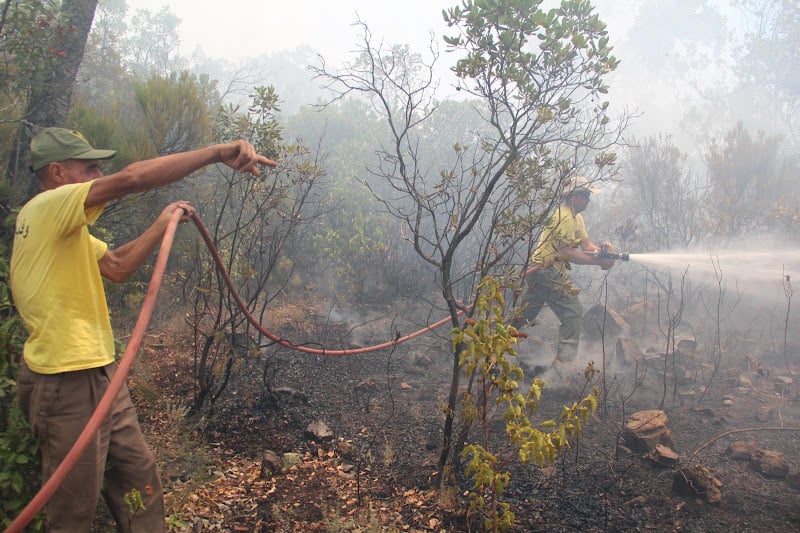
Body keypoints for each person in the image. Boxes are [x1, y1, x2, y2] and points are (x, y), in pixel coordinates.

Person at [10, 127, 275, 532]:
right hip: (66, 381)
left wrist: (163, 220)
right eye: (91, 167)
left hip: (99, 374)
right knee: (73, 512)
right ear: (58, 172)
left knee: (139, 478)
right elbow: (133, 178)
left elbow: (116, 266)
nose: (100, 175)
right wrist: (216, 153)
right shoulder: (48, 206)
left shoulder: (66, 227)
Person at [519, 175, 616, 368]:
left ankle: (485, 340)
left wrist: (602, 252)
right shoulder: (562, 217)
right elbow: (567, 253)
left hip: (544, 271)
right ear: (573, 196)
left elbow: (586, 244)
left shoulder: (576, 218)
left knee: (524, 315)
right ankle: (563, 366)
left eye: (588, 195)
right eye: (585, 195)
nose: (588, 200)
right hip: (544, 270)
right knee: (573, 311)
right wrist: (599, 263)